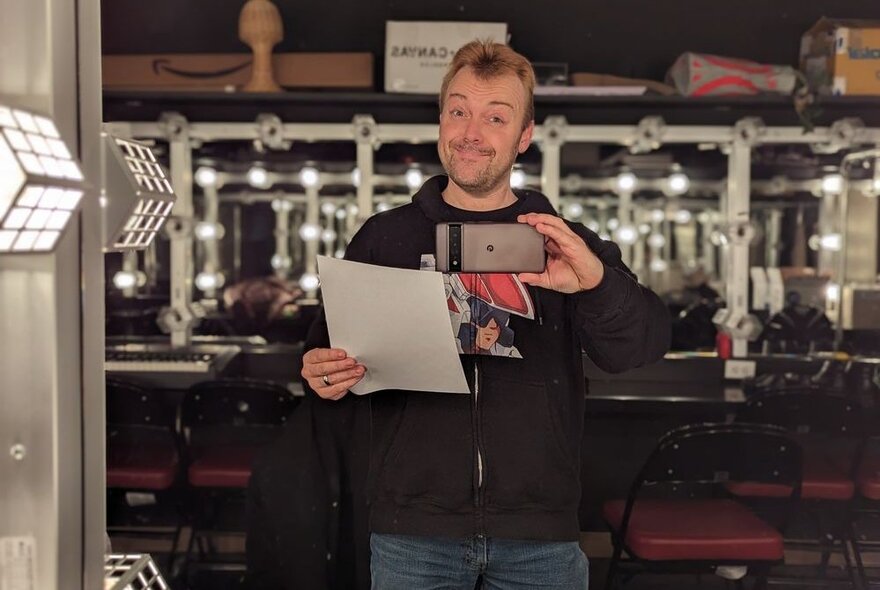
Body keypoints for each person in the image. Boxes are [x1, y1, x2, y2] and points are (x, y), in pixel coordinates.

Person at [300, 40, 671, 590]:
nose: (471, 131)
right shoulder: (385, 238)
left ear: (524, 136)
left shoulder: (566, 243)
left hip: (539, 533)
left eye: (495, 117)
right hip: (412, 530)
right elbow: (324, 361)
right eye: (458, 111)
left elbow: (640, 347)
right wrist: (320, 373)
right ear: (441, 120)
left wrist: (592, 282)